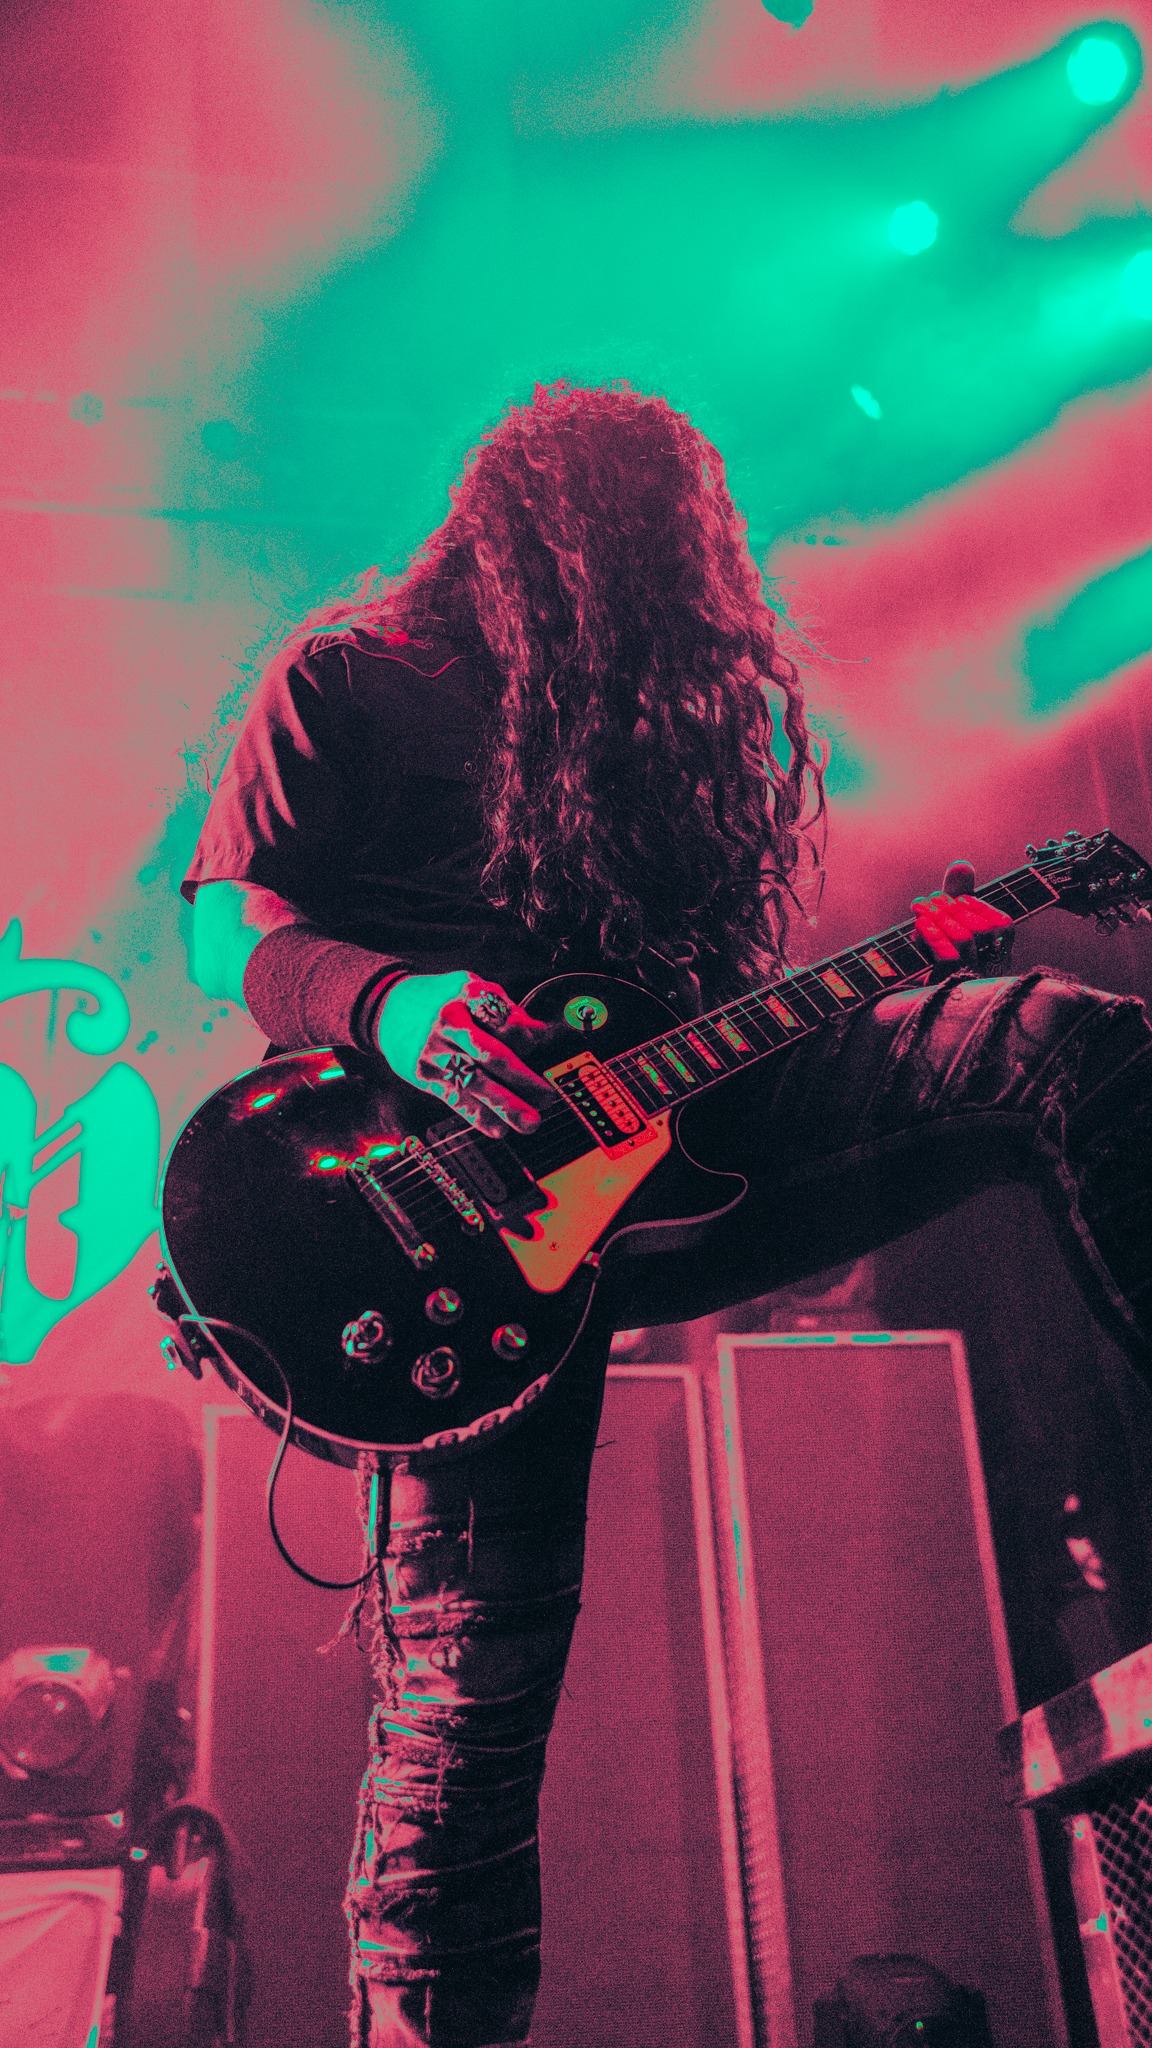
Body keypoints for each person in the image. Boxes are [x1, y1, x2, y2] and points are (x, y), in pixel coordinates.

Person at [183, 381, 1152, 2048]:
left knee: (1066, 1046)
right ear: (530, 539)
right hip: (445, 1225)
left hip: (677, 1141)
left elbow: (700, 1015)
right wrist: (395, 1005)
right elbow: (229, 928)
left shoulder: (669, 735)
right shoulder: (348, 671)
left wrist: (906, 978)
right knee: (467, 1717)